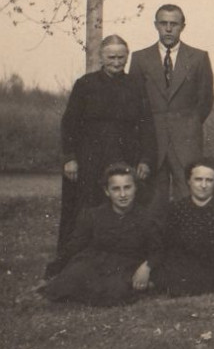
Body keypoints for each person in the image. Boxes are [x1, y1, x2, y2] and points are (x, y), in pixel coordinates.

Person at [52, 35, 155, 265]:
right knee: (84, 209)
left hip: (125, 156)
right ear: (101, 57)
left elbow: (147, 125)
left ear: (127, 57)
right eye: (111, 57)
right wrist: (69, 158)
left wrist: (145, 160)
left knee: (124, 206)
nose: (117, 62)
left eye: (121, 57)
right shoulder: (85, 84)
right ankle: (72, 261)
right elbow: (69, 123)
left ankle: (122, 260)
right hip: (89, 159)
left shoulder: (136, 86)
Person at [129, 4, 214, 204]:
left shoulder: (199, 58)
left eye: (174, 24)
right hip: (152, 143)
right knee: (153, 200)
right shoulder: (140, 58)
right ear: (156, 25)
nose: (168, 29)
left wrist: (188, 123)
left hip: (186, 142)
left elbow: (205, 100)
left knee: (187, 198)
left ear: (182, 26)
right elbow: (135, 101)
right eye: (163, 23)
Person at [43, 164, 153, 306]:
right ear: (107, 191)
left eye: (127, 187)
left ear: (135, 188)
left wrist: (146, 266)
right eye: (116, 189)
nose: (123, 194)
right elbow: (75, 245)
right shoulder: (94, 215)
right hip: (96, 262)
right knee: (73, 278)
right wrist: (55, 269)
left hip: (127, 264)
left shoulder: (146, 217)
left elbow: (157, 248)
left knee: (115, 290)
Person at [144, 157, 214, 297]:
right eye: (198, 179)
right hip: (185, 263)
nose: (203, 185)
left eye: (209, 180)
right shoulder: (177, 208)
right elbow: (169, 244)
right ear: (189, 181)